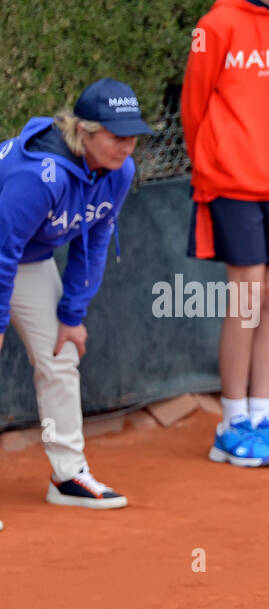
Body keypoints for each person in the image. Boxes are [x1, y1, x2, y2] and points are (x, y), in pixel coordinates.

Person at [0, 78, 155, 516]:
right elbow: (2, 250)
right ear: (84, 132)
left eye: (133, 137)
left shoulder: (118, 171)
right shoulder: (38, 176)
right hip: (4, 250)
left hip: (28, 258)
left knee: (61, 352)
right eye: (117, 136)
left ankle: (68, 475)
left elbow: (95, 237)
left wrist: (72, 313)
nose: (128, 146)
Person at [182, 0, 269, 467]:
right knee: (247, 293)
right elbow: (193, 107)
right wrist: (213, 168)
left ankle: (262, 416)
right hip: (231, 181)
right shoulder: (216, 25)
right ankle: (232, 423)